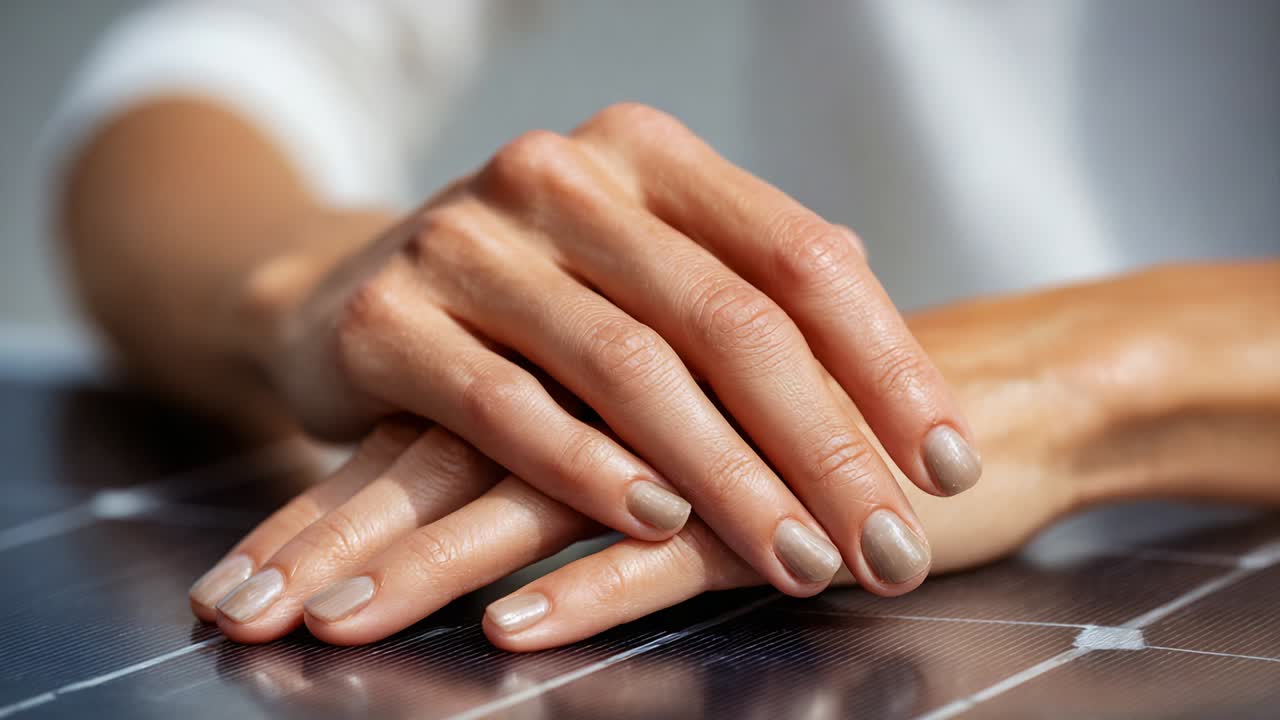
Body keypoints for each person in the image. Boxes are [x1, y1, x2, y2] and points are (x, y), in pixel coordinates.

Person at [48, 1, 1279, 652]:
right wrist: (313, 284)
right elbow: (216, 68)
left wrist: (1094, 378)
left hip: (846, 486)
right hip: (814, 593)